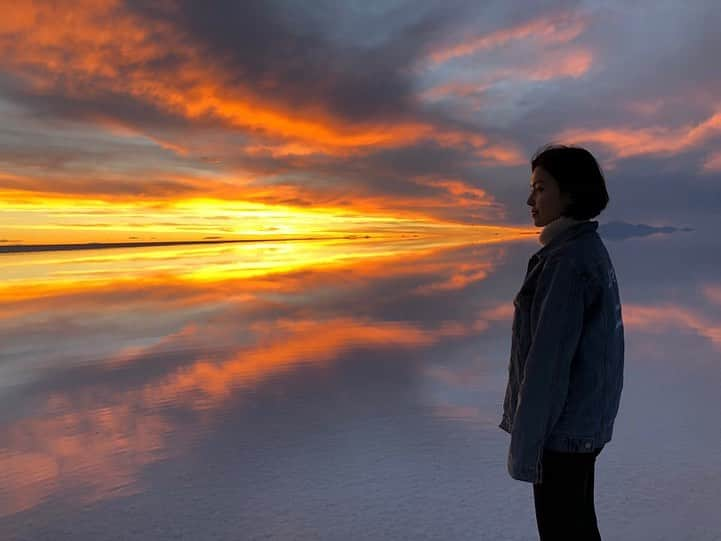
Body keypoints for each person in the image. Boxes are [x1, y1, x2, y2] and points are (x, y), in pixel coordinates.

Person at [498, 144, 625, 540]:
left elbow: (547, 365)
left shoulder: (567, 261)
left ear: (569, 193)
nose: (529, 200)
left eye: (540, 188)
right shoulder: (582, 249)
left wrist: (526, 446)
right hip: (581, 425)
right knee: (578, 527)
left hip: (562, 431)